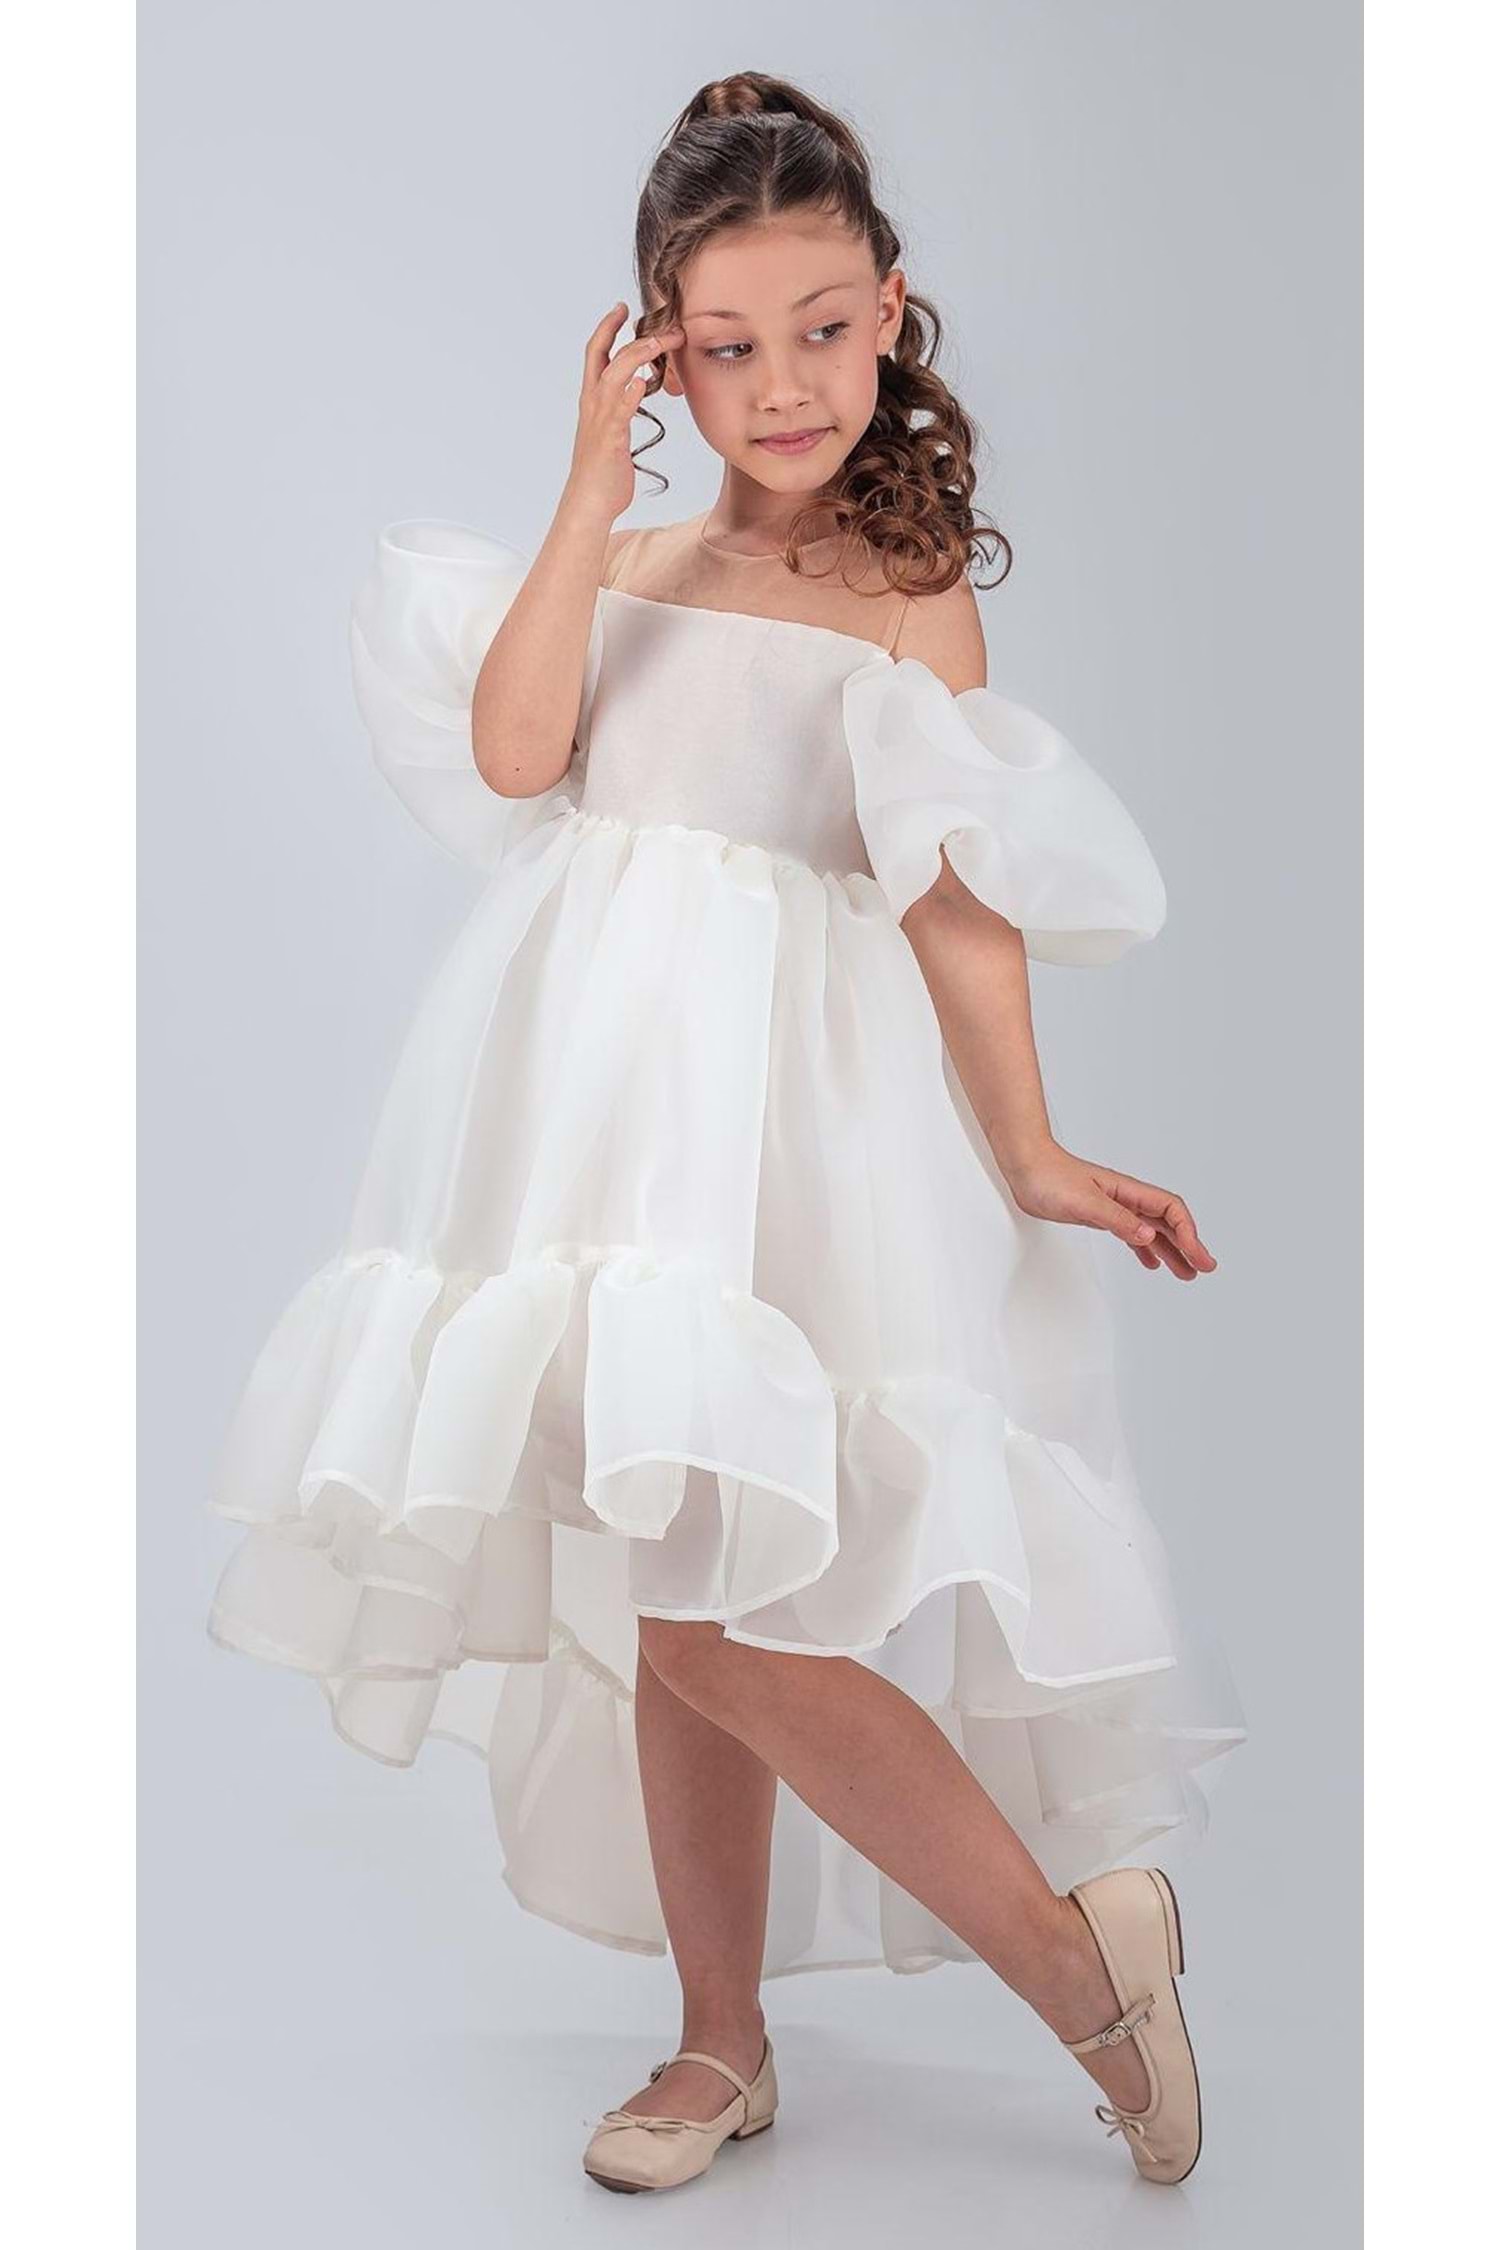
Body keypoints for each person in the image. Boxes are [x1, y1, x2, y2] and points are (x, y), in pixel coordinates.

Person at [206, 70, 1245, 2199]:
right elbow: (517, 755)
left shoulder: (903, 589)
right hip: (590, 1135)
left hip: (777, 1148)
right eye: (729, 343)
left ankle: (1083, 1973)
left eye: (826, 330)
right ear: (659, 351)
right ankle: (719, 2039)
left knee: (716, 1611)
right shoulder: (632, 559)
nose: (784, 386)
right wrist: (590, 486)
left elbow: (953, 899)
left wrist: (1032, 1151)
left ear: (894, 313)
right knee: (665, 1582)